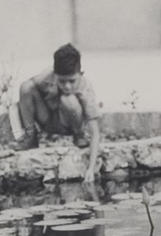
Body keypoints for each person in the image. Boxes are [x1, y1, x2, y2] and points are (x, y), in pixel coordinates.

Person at [16, 43, 101, 186]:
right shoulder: (47, 76)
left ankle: (78, 136)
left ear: (80, 73)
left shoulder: (85, 88)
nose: (67, 86)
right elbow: (27, 91)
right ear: (55, 75)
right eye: (62, 81)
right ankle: (31, 138)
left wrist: (91, 169)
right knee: (25, 87)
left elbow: (95, 133)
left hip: (71, 123)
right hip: (49, 120)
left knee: (69, 100)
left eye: (72, 81)